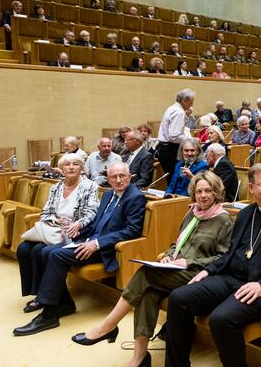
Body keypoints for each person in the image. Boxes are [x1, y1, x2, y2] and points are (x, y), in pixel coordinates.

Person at [71, 172, 233, 367]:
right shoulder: (192, 213)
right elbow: (178, 243)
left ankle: (108, 326)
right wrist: (168, 255)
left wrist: (187, 262)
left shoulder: (224, 220)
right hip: (176, 269)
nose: (203, 195)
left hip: (198, 275)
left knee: (145, 274)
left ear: (216, 193)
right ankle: (139, 358)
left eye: (208, 191)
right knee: (148, 292)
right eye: (199, 191)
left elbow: (223, 258)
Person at [164, 162, 261, 366]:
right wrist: (208, 270)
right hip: (230, 278)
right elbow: (230, 253)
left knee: (220, 319)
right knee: (178, 298)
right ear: (251, 188)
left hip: (259, 287)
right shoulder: (246, 213)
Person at [14, 162, 145, 336]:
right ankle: (65, 303)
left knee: (56, 256)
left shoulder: (135, 197)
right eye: (114, 177)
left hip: (105, 249)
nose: (119, 180)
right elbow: (98, 223)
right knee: (46, 251)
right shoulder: (108, 194)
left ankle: (48, 316)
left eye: (122, 176)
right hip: (88, 241)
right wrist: (77, 231)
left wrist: (96, 244)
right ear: (108, 179)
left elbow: (131, 230)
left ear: (130, 177)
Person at [16, 154, 100, 315]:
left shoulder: (90, 186)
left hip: (76, 231)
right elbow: (46, 211)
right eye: (67, 164)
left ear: (81, 168)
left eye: (76, 164)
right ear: (61, 169)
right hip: (54, 230)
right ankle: (39, 293)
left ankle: (48, 298)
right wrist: (53, 221)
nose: (71, 167)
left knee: (39, 251)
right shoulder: (56, 187)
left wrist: (77, 223)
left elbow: (92, 212)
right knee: (24, 248)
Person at [158, 89, 195, 179]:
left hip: (164, 148)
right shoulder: (179, 112)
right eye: (191, 102)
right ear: (185, 100)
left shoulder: (171, 108)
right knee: (176, 178)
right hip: (171, 150)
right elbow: (174, 136)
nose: (192, 105)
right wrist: (191, 140)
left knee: (172, 177)